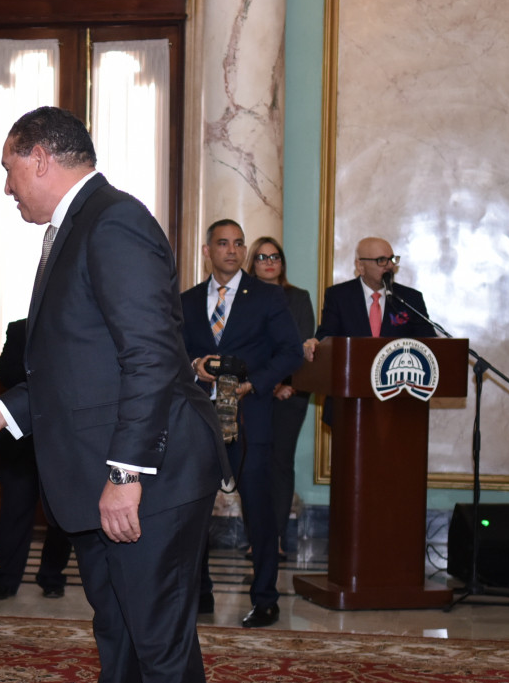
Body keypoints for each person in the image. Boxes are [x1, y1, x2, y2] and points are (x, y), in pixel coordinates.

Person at [0, 106, 228, 683]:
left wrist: (126, 472)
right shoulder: (77, 225)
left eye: (10, 170)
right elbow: (81, 364)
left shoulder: (113, 222)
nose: (8, 187)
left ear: (41, 158)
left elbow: (151, 358)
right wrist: (3, 412)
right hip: (114, 475)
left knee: (161, 650)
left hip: (150, 478)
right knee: (124, 644)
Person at [182, 220, 303, 629]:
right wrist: (194, 365)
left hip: (251, 421)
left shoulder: (267, 297)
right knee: (195, 511)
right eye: (223, 243)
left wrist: (256, 384)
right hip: (200, 421)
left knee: (259, 512)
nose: (232, 250)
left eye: (238, 243)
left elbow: (291, 352)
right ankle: (199, 593)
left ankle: (265, 599)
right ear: (207, 251)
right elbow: (171, 352)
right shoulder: (187, 300)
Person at [0, 317, 73, 599]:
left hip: (64, 442)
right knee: (14, 512)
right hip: (20, 445)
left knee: (61, 516)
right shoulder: (18, 329)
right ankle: (6, 579)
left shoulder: (75, 328)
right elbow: (7, 375)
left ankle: (52, 577)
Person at [248, 236, 314, 559]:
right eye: (262, 257)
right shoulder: (244, 298)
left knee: (280, 464)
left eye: (274, 256)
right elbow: (244, 348)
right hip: (252, 392)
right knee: (252, 465)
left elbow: (303, 347)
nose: (269, 262)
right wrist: (265, 384)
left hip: (291, 393)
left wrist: (286, 384)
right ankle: (255, 537)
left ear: (282, 262)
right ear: (252, 264)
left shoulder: (298, 298)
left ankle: (274, 538)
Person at [306, 236, 435, 354]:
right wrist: (314, 344)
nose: (390, 265)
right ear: (360, 266)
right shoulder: (338, 296)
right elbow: (326, 339)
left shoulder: (410, 298)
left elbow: (430, 344)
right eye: (382, 260)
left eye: (392, 259)